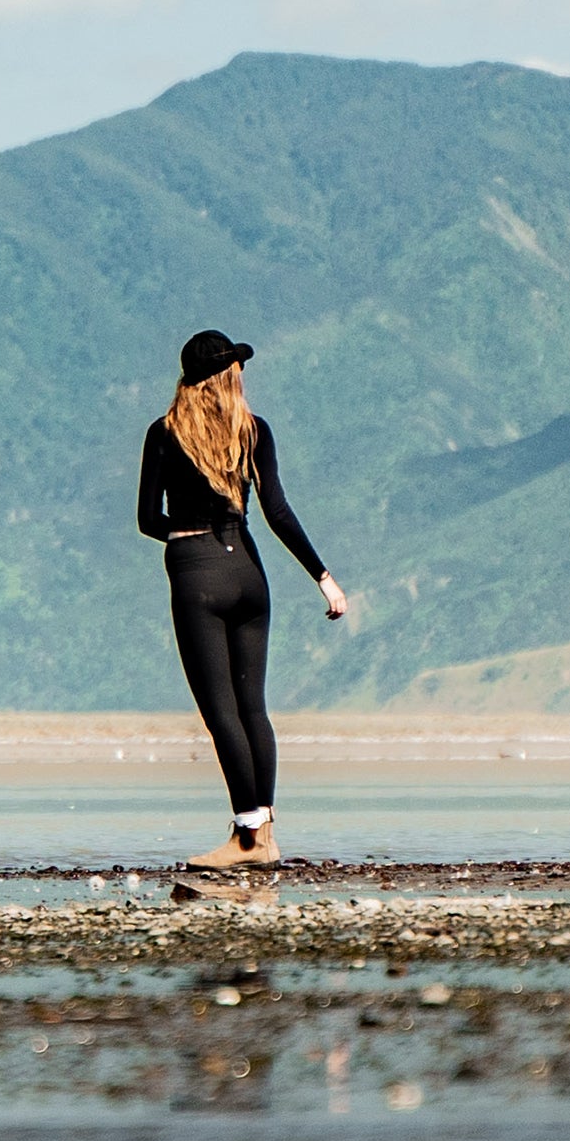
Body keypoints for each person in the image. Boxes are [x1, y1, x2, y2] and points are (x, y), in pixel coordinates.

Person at [137, 330, 347, 872]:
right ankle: (266, 831)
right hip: (250, 570)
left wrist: (189, 538)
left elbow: (146, 520)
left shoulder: (164, 434)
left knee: (221, 711)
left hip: (197, 572)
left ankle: (247, 839)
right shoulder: (255, 432)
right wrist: (324, 578)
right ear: (230, 375)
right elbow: (277, 512)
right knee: (254, 707)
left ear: (187, 381)